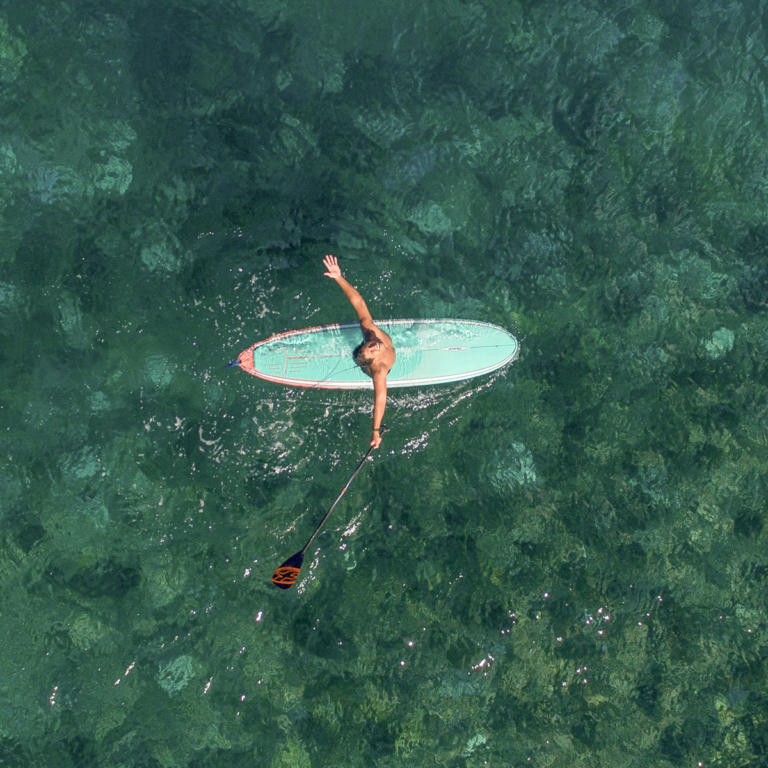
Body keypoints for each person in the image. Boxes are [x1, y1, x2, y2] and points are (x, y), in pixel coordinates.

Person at [323, 254, 395, 449]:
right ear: (374, 360)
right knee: (370, 374)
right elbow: (380, 400)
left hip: (366, 359)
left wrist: (338, 277)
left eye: (369, 343)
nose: (374, 343)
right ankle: (361, 367)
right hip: (369, 368)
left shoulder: (370, 331)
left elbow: (358, 302)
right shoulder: (379, 370)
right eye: (372, 348)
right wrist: (375, 432)